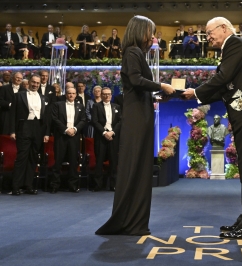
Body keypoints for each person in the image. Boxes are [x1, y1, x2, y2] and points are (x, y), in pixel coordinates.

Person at [182, 17, 242, 239]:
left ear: (223, 28)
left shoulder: (235, 44)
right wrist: (195, 97)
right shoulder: (232, 48)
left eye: (209, 32)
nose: (208, 37)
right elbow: (225, 87)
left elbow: (223, 78)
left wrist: (196, 92)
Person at [95, 15, 174, 236]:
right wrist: (161, 85)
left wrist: (157, 96)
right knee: (135, 169)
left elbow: (137, 88)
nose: (153, 38)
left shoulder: (135, 53)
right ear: (140, 32)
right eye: (151, 32)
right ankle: (129, 221)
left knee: (140, 169)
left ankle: (134, 222)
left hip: (141, 115)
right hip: (136, 119)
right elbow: (137, 80)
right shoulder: (132, 52)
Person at [9, 75, 50, 195]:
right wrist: (12, 131)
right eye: (33, 82)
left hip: (38, 128)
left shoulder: (44, 98)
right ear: (29, 82)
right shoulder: (19, 95)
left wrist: (46, 133)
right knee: (22, 157)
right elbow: (13, 115)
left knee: (33, 158)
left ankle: (28, 185)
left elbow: (46, 118)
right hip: (24, 127)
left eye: (37, 83)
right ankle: (16, 186)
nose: (35, 85)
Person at [50, 87, 86, 194]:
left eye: (73, 93)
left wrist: (74, 129)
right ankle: (54, 185)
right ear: (66, 94)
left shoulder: (80, 106)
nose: (71, 95)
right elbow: (54, 119)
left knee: (73, 161)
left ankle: (73, 185)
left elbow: (83, 120)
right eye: (69, 93)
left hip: (74, 136)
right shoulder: (58, 105)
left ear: (76, 95)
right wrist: (66, 130)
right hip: (61, 136)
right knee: (58, 161)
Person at [91, 87, 122, 191]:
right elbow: (94, 121)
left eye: (108, 94)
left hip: (113, 137)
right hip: (101, 137)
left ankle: (113, 185)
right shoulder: (96, 106)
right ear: (101, 95)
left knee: (113, 162)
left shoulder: (117, 106)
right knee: (99, 162)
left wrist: (112, 132)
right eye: (104, 94)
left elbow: (120, 122)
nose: (107, 96)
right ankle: (98, 185)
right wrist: (104, 133)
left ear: (111, 95)